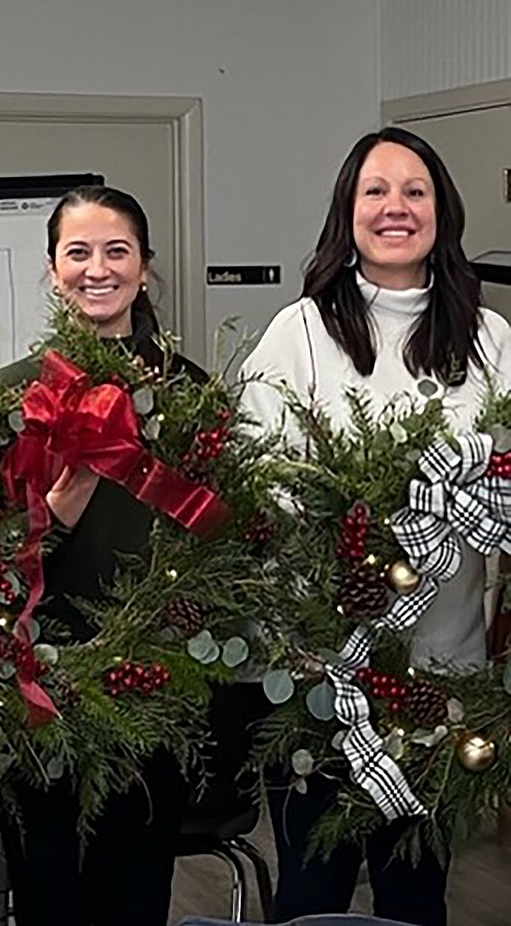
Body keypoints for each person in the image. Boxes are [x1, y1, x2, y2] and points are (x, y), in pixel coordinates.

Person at [240, 127, 511, 926]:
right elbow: (256, 478)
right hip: (320, 668)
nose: (396, 207)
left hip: (440, 671)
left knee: (416, 884)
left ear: (442, 211)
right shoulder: (300, 332)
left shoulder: (491, 340)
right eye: (376, 191)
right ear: (347, 212)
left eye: (415, 191)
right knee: (313, 881)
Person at [0, 185, 204, 926]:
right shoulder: (8, 400)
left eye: (118, 251)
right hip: (37, 695)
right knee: (45, 897)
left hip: (155, 693)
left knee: (137, 899)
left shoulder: (192, 398)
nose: (97, 269)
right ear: (52, 269)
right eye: (78, 252)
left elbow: (224, 546)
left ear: (145, 268)